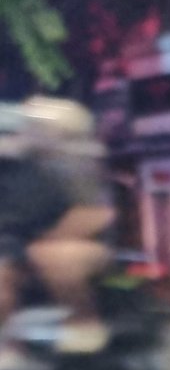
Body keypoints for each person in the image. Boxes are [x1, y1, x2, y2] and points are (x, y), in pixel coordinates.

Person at [0, 97, 114, 354]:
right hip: (18, 246)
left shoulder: (78, 167)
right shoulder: (18, 167)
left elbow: (97, 214)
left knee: (54, 256)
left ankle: (85, 325)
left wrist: (47, 239)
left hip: (75, 245)